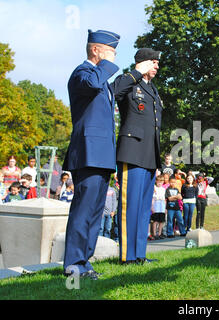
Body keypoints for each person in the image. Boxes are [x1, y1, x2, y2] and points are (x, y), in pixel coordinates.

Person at [62, 29, 123, 280]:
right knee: (83, 210)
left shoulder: (101, 78)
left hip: (102, 155)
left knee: (95, 213)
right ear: (95, 50)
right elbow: (91, 84)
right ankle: (73, 264)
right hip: (87, 153)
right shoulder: (82, 72)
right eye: (111, 51)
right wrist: (107, 64)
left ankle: (84, 263)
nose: (114, 57)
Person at [114, 47, 163, 265]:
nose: (157, 66)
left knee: (144, 208)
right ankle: (127, 256)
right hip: (132, 152)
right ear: (143, 62)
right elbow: (113, 91)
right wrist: (135, 72)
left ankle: (139, 254)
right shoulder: (129, 81)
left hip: (149, 154)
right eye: (154, 62)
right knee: (129, 206)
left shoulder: (152, 89)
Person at [151, 175, 167, 240]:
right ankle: (154, 234)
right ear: (156, 182)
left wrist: (165, 208)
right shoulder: (154, 188)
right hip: (156, 206)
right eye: (158, 181)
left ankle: (159, 234)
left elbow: (164, 199)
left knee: (161, 221)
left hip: (162, 206)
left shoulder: (164, 189)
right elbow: (152, 199)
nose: (159, 183)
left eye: (161, 181)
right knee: (155, 221)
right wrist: (152, 207)